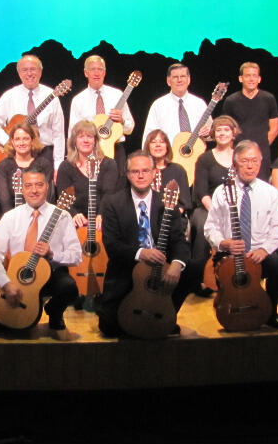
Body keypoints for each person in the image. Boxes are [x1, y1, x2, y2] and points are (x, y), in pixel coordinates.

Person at [96, 151, 190, 337]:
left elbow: (179, 240)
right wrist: (141, 253)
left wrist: (177, 265)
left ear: (154, 173)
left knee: (193, 269)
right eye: (135, 171)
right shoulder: (112, 202)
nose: (140, 176)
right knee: (109, 327)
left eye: (145, 170)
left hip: (161, 270)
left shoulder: (167, 202)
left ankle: (165, 314)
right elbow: (112, 245)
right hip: (127, 268)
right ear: (128, 174)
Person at [0, 167, 81, 336]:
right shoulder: (10, 217)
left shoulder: (62, 215)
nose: (34, 190)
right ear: (21, 189)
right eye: (28, 185)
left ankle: (54, 312)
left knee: (69, 287)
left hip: (50, 274)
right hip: (19, 278)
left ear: (48, 186)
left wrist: (53, 254)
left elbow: (77, 256)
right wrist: (6, 285)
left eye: (39, 185)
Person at [204, 141, 278, 329]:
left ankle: (270, 309)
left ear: (261, 163)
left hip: (258, 254)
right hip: (229, 254)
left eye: (254, 161)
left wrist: (264, 250)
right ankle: (230, 306)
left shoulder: (270, 193)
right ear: (235, 164)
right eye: (244, 161)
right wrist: (224, 243)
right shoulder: (222, 192)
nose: (250, 166)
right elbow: (210, 227)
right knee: (228, 274)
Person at [0, 54, 65, 172]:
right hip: (16, 156)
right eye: (25, 70)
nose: (29, 73)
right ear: (19, 73)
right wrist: (9, 141)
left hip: (45, 154)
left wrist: (58, 165)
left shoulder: (52, 96)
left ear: (40, 72)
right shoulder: (9, 96)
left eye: (33, 69)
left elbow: (59, 134)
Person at [191, 116, 242, 296]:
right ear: (213, 134)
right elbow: (202, 192)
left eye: (226, 130)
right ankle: (200, 279)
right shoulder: (205, 159)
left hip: (236, 208)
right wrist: (217, 212)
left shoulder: (241, 157)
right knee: (204, 225)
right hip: (208, 207)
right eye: (218, 130)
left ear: (233, 133)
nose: (222, 133)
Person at [68, 55, 136, 172]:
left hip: (116, 149)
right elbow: (73, 133)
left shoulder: (118, 95)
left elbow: (130, 128)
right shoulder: (78, 100)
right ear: (86, 73)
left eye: (100, 69)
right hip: (89, 151)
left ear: (104, 72)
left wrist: (122, 121)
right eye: (92, 69)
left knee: (118, 187)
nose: (96, 73)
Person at [219, 62, 278, 180]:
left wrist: (258, 149)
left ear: (259, 79)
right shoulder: (231, 101)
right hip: (237, 154)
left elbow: (274, 129)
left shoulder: (268, 98)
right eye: (247, 75)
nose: (251, 79)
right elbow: (227, 129)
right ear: (240, 78)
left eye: (254, 75)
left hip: (262, 155)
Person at [56, 120, 120, 229]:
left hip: (103, 222)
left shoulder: (109, 164)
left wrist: (101, 215)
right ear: (74, 141)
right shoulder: (66, 167)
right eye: (81, 137)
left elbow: (109, 195)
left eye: (90, 136)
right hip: (75, 223)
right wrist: (73, 214)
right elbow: (63, 199)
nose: (86, 140)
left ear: (95, 141)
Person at [141, 62, 212, 144]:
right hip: (168, 155)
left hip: (196, 154)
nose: (179, 80)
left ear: (188, 80)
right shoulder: (158, 105)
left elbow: (211, 134)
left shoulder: (200, 104)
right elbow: (149, 136)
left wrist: (208, 133)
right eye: (175, 77)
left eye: (183, 76)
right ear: (168, 81)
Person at [0, 121, 54, 213]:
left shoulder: (44, 165)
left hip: (39, 215)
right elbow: (4, 201)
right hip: (12, 217)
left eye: (26, 139)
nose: (21, 143)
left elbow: (47, 197)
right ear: (12, 142)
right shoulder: (4, 166)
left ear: (32, 140)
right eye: (17, 139)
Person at [144, 129, 193, 214]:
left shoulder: (178, 170)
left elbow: (184, 203)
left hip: (173, 218)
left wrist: (171, 217)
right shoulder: (141, 170)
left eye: (162, 142)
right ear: (148, 147)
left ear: (167, 146)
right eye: (154, 142)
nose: (158, 145)